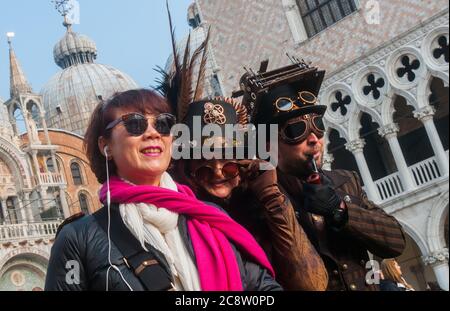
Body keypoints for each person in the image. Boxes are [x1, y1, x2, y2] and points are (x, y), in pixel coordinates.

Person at [44, 89, 281, 291]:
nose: (153, 132)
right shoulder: (78, 238)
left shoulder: (211, 217)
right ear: (106, 146)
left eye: (163, 123)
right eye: (135, 124)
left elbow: (262, 288)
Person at [237, 59, 407, 291]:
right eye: (296, 130)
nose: (314, 138)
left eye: (318, 126)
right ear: (268, 146)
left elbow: (396, 241)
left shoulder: (345, 181)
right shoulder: (257, 201)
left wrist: (340, 210)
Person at [170, 97, 328, 291]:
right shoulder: (187, 220)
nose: (218, 171)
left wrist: (270, 196)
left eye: (228, 162)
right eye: (204, 165)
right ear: (188, 169)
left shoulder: (268, 201)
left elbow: (312, 284)